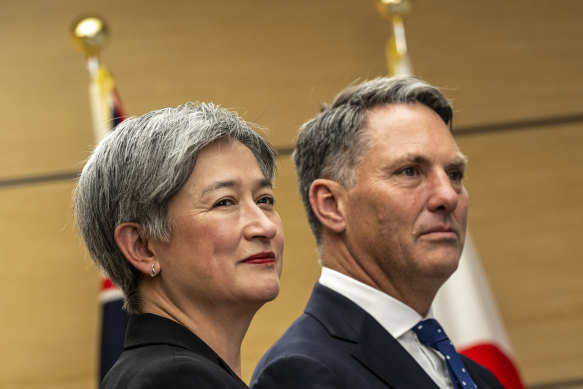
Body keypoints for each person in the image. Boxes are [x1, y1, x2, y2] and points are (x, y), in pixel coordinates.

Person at [251, 77, 504, 389]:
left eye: (454, 174)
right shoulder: (302, 373)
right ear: (332, 205)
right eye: (410, 171)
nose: (448, 196)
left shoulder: (480, 378)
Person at [74, 103, 284, 388]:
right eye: (224, 202)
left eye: (264, 200)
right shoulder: (175, 380)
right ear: (142, 247)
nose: (266, 226)